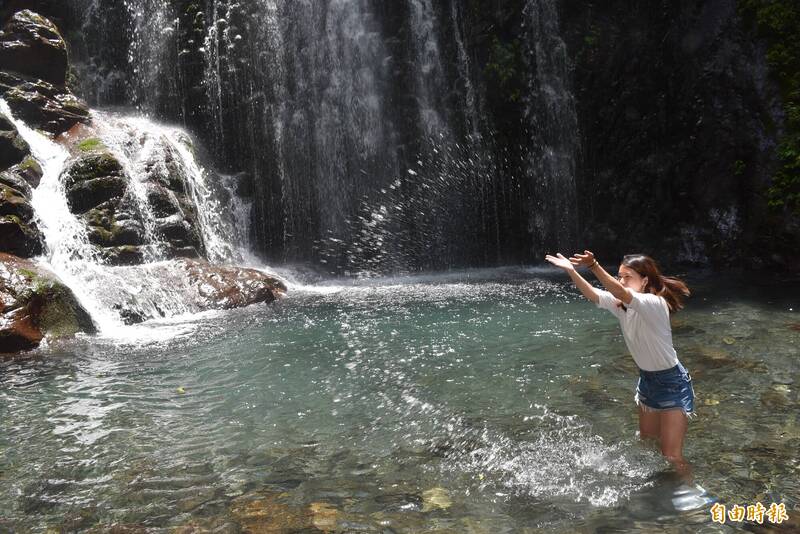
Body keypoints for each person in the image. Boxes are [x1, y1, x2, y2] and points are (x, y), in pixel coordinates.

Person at [545, 250, 694, 474]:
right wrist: (571, 271)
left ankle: (690, 497)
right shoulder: (622, 306)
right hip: (647, 382)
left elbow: (620, 292)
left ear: (644, 281)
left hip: (672, 383)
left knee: (671, 456)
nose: (621, 280)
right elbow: (594, 294)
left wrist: (594, 264)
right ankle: (657, 493)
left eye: (627, 276)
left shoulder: (654, 303)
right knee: (648, 447)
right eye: (619, 276)